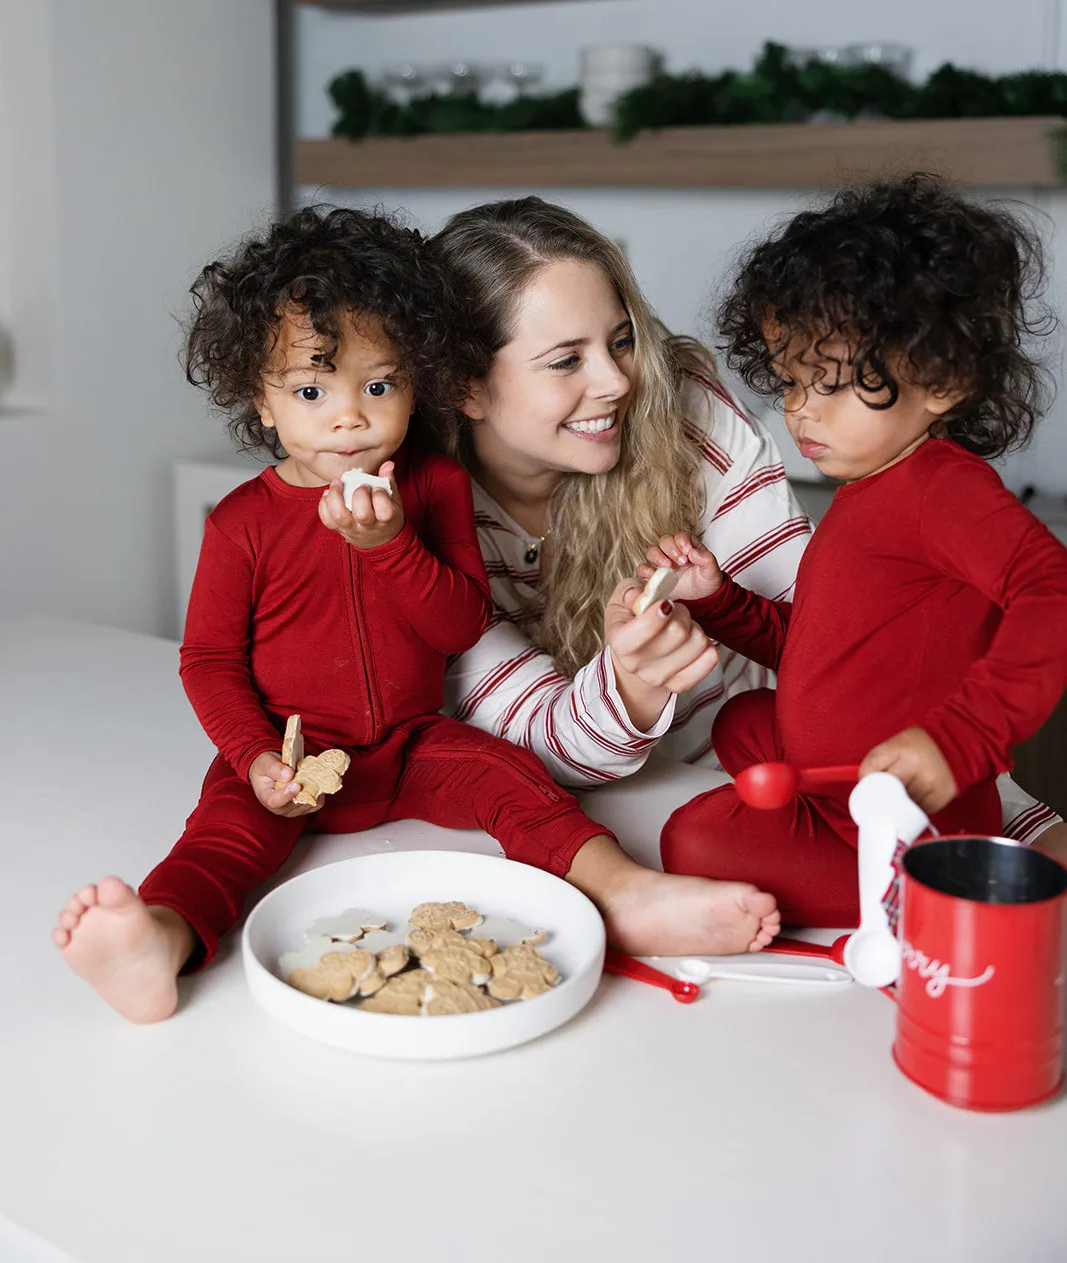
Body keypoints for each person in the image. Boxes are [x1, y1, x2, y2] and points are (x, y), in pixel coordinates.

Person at [53, 207, 779, 1023]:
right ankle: (159, 939)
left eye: (378, 385)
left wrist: (391, 543)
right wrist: (257, 757)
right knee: (220, 838)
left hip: (413, 741)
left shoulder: (433, 487)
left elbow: (460, 625)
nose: (348, 416)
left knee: (520, 787)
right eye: (308, 391)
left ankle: (624, 894)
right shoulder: (240, 523)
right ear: (259, 401)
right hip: (290, 753)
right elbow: (208, 662)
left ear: (415, 382)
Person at [427, 196, 1065, 876]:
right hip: (637, 789)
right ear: (464, 385)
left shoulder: (915, 483)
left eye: (621, 341)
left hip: (860, 793)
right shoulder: (415, 512)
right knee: (739, 740)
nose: (617, 381)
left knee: (708, 830)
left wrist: (978, 765)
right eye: (565, 361)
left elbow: (887, 661)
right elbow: (817, 646)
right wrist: (680, 637)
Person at [652, 175, 1067, 923]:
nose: (800, 410)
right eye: (789, 382)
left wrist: (963, 738)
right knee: (745, 723)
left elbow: (1053, 590)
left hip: (901, 819)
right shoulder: (866, 489)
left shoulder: (939, 489)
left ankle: (928, 891)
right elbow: (822, 656)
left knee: (692, 841)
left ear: (941, 378)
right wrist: (715, 601)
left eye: (831, 385)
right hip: (847, 783)